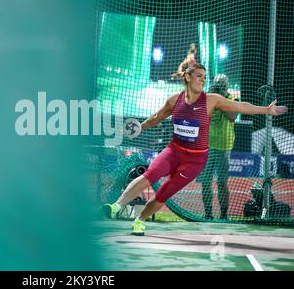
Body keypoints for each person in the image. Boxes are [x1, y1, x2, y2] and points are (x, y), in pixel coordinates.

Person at [102, 61, 288, 236]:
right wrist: (141, 126)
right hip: (173, 152)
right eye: (199, 75)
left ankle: (140, 220)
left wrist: (265, 110)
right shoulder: (174, 101)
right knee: (150, 174)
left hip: (195, 161)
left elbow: (240, 106)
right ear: (187, 77)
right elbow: (156, 117)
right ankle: (117, 206)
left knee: (164, 193)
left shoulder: (212, 100)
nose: (202, 79)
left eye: (204, 77)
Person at [197, 74, 237, 220]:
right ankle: (208, 214)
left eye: (222, 86)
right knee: (206, 182)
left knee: (221, 182)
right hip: (206, 146)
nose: (220, 88)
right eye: (217, 86)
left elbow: (232, 117)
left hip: (223, 146)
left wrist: (221, 100)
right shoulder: (208, 98)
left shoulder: (232, 99)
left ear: (226, 87)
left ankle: (224, 214)